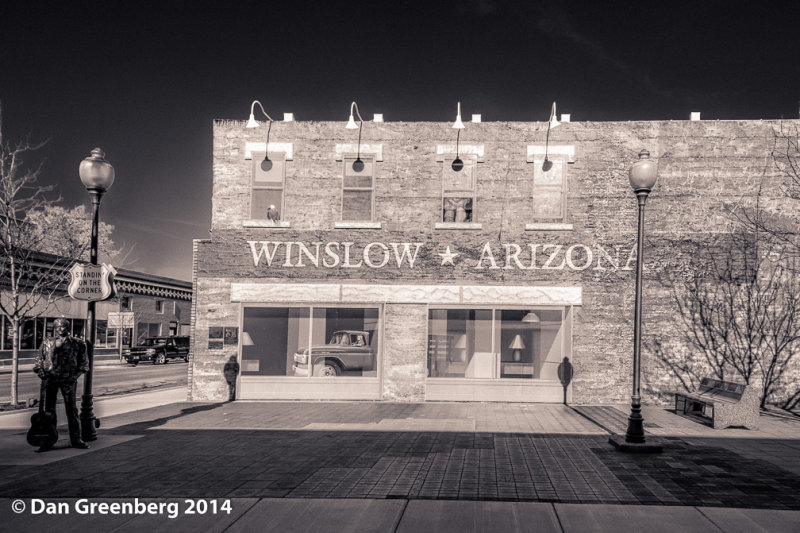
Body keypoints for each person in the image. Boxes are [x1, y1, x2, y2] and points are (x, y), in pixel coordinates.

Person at [33, 318, 90, 451]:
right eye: (57, 327)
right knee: (48, 411)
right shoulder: (47, 342)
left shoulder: (78, 343)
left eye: (62, 327)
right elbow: (39, 361)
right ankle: (47, 440)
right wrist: (41, 372)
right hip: (50, 379)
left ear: (68, 328)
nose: (59, 329)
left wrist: (74, 376)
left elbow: (84, 364)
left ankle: (76, 439)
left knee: (71, 409)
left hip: (68, 380)